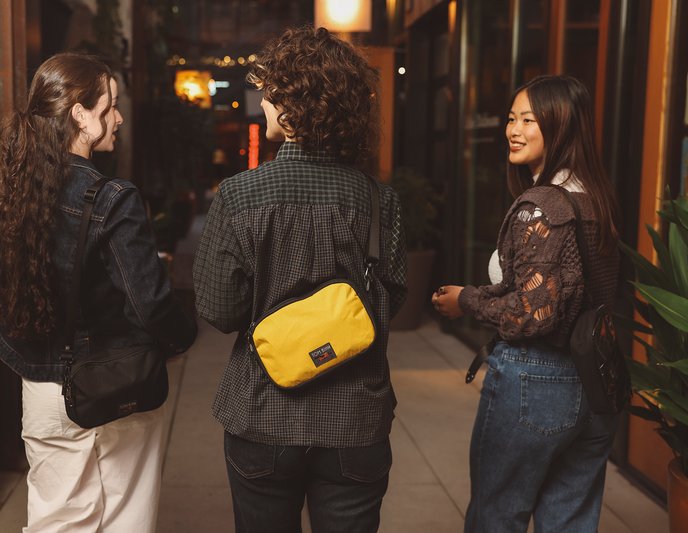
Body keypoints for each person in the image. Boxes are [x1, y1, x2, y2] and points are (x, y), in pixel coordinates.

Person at [0, 52, 197, 532]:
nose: (119, 118)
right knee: (125, 519)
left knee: (55, 523)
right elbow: (150, 303)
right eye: (111, 107)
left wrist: (25, 345)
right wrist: (180, 340)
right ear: (81, 115)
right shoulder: (113, 199)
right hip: (117, 383)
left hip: (43, 391)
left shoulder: (9, 190)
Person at [192, 26, 408, 533]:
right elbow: (389, 301)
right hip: (355, 420)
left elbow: (220, 310)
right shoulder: (381, 201)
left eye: (268, 96)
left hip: (263, 417)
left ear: (291, 107)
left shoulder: (238, 195)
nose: (262, 105)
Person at [432, 75, 622, 532]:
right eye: (512, 118)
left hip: (536, 382)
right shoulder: (596, 197)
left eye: (529, 120)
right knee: (570, 520)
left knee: (497, 517)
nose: (513, 130)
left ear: (560, 127)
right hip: (596, 382)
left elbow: (532, 312)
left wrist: (468, 300)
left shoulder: (542, 207)